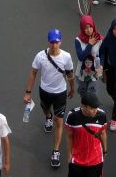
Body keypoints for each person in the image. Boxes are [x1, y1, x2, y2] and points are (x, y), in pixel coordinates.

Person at [23, 28, 75, 169]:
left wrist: (72, 88)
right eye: (52, 42)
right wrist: (28, 92)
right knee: (45, 108)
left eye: (57, 42)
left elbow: (70, 74)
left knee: (59, 121)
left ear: (61, 42)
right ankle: (48, 116)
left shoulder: (66, 57)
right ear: (48, 42)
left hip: (60, 93)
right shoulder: (40, 56)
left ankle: (56, 151)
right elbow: (33, 73)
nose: (54, 45)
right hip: (44, 91)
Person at [63, 90, 108, 176]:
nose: (95, 110)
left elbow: (102, 133)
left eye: (96, 107)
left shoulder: (102, 115)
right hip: (77, 160)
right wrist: (69, 155)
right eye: (91, 108)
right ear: (83, 106)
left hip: (96, 160)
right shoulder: (72, 116)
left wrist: (105, 151)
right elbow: (69, 136)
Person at [74, 15, 102, 99]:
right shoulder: (78, 40)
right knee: (83, 93)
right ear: (82, 28)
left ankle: (92, 111)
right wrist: (89, 44)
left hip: (95, 72)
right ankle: (84, 109)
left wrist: (101, 65)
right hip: (82, 72)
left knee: (93, 94)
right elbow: (80, 57)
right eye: (85, 28)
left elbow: (103, 54)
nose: (89, 30)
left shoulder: (99, 39)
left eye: (90, 27)